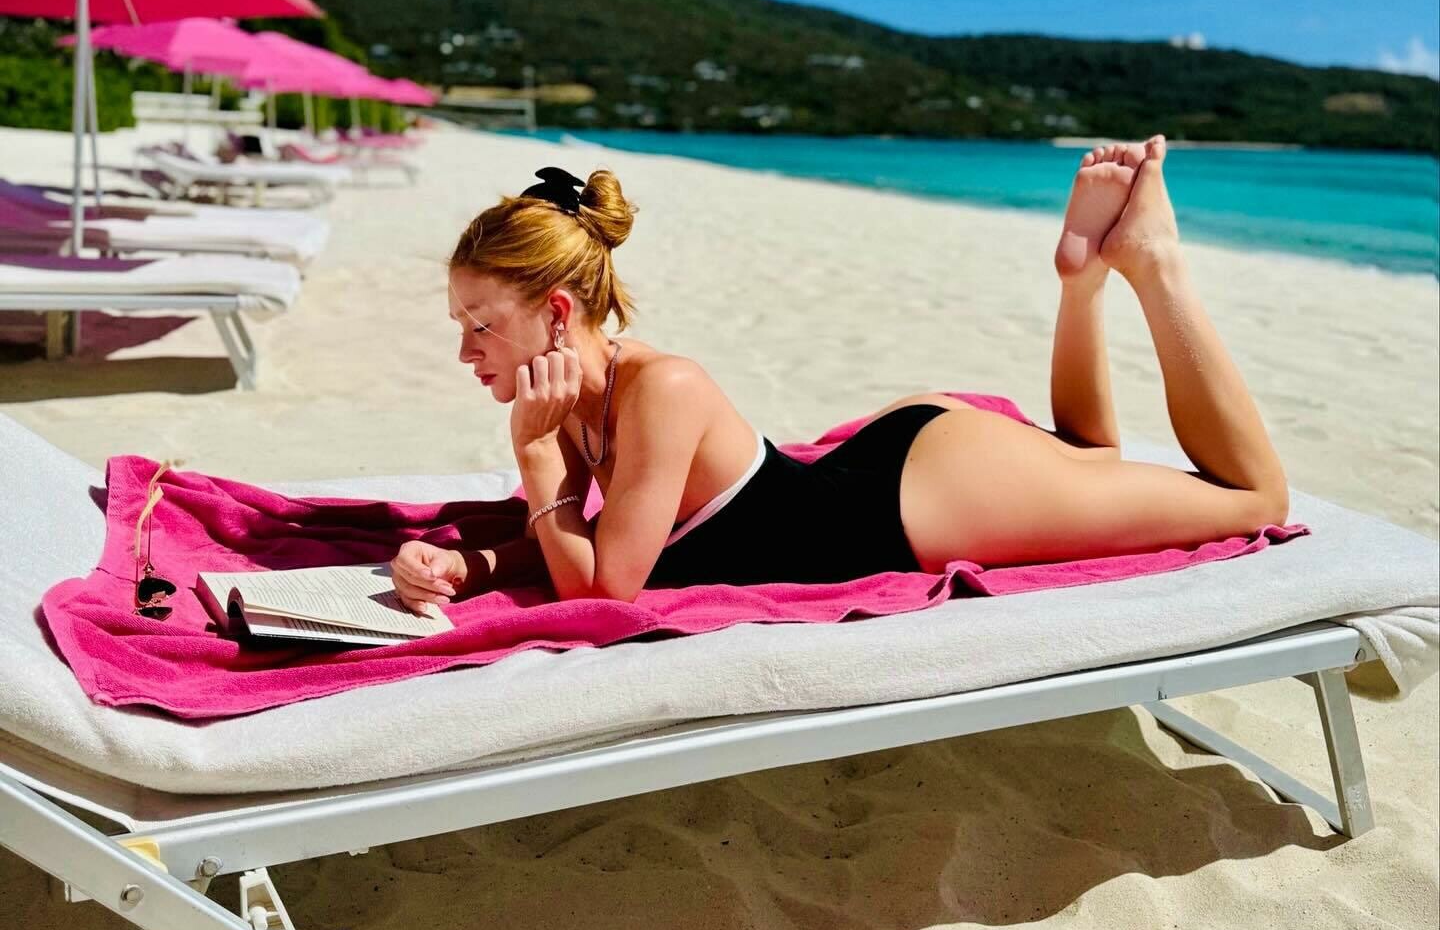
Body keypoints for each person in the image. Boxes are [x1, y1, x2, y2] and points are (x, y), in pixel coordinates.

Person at [391, 138, 1288, 611]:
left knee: (1251, 497)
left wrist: (535, 457)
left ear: (556, 310)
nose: (468, 351)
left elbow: (604, 591)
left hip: (923, 501)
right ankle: (1081, 281)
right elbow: (590, 541)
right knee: (1090, 459)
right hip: (888, 471)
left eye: (481, 324)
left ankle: (1156, 263)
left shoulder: (661, 389)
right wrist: (468, 565)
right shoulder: (571, 399)